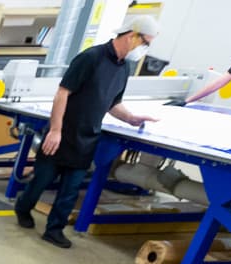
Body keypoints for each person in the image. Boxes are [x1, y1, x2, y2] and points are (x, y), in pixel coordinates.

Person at [14, 17, 160, 249]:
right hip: (62, 133)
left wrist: (131, 118)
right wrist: (55, 130)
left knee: (70, 190)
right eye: (146, 42)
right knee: (42, 180)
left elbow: (112, 103)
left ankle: (54, 230)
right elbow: (62, 93)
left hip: (87, 138)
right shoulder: (91, 58)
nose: (145, 49)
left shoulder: (124, 68)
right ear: (132, 35)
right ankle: (23, 207)